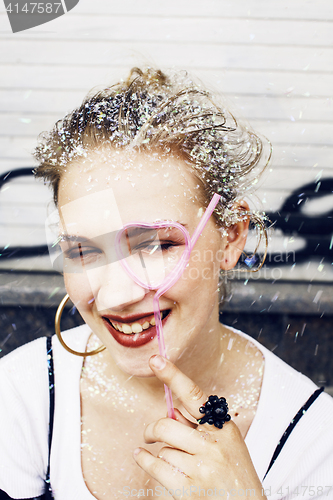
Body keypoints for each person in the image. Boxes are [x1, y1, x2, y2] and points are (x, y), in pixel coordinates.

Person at [0, 68, 332, 500]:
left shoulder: (314, 444)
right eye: (83, 251)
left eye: (156, 244)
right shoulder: (19, 396)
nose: (116, 297)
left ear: (231, 237)